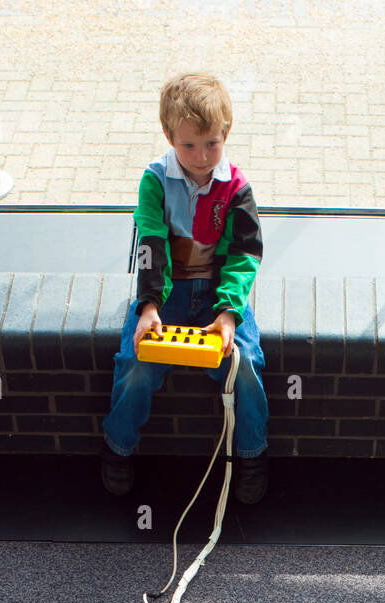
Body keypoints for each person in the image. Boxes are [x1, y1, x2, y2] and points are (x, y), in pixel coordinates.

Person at [100, 72, 269, 503]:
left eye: (211, 143)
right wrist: (150, 305)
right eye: (188, 145)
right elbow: (150, 244)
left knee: (244, 363)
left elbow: (243, 257)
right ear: (169, 136)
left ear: (225, 133)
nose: (201, 155)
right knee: (135, 362)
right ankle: (118, 448)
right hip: (168, 292)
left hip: (216, 293)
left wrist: (229, 312)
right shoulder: (155, 180)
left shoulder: (237, 188)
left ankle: (250, 454)